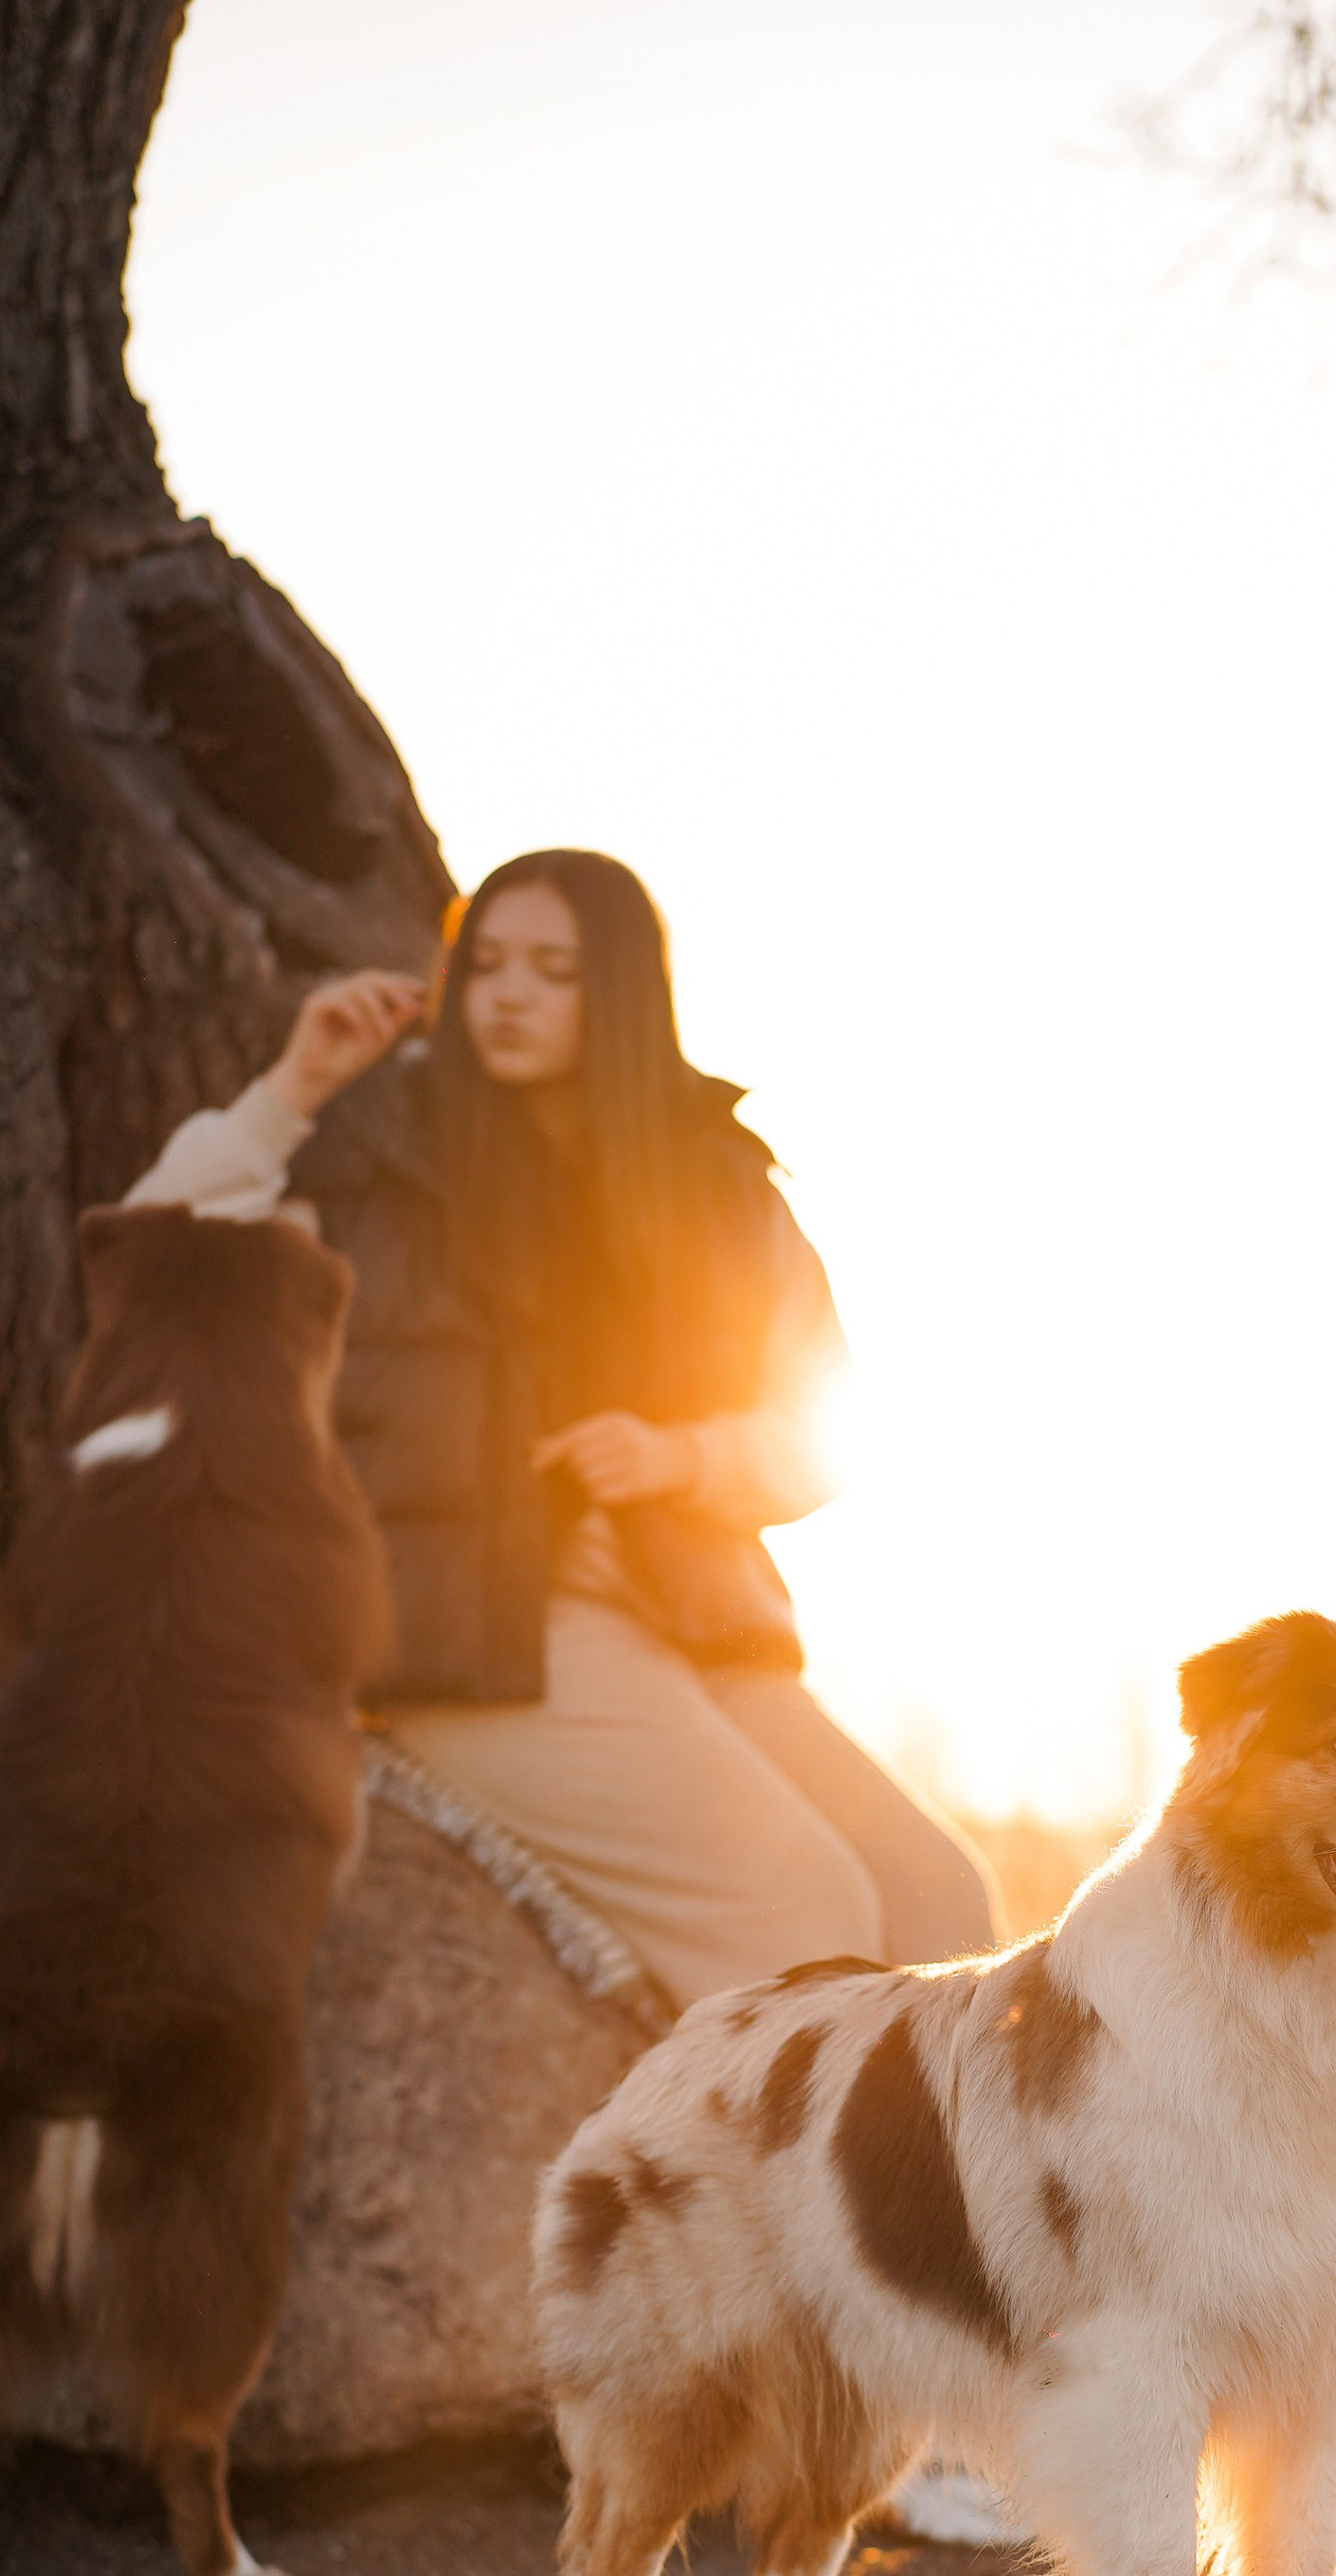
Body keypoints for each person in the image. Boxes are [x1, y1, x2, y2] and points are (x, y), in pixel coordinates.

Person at [123, 848, 999, 2005]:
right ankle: (766, 2188)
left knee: (941, 1897)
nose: (509, 994)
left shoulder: (717, 1179)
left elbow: (817, 1425)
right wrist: (292, 1087)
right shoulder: (388, 1154)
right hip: (474, 1639)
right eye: (484, 964)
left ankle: (923, 2191)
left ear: (623, 988)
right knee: (804, 1911)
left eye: (553, 969)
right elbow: (152, 1264)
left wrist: (681, 1456)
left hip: (691, 1620)